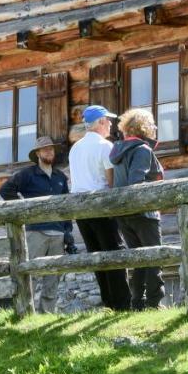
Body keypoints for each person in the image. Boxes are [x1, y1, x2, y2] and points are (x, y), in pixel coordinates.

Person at [68, 104, 131, 310]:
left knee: (96, 255)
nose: (111, 124)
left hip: (80, 208)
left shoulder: (75, 147)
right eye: (109, 120)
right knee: (113, 252)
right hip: (102, 205)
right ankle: (122, 303)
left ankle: (108, 301)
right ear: (101, 122)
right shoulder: (105, 146)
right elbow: (110, 179)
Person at [0, 136, 70, 313]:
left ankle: (46, 313)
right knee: (31, 274)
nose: (49, 152)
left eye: (51, 149)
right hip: (35, 231)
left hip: (58, 234)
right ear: (37, 153)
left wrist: (68, 232)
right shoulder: (27, 174)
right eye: (45, 149)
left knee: (53, 276)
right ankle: (25, 312)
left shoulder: (60, 177)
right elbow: (5, 190)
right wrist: (23, 211)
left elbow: (66, 207)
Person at [110, 108, 166, 310]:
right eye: (151, 124)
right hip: (144, 212)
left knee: (138, 260)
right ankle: (154, 303)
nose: (154, 128)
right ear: (144, 127)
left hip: (124, 214)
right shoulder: (142, 150)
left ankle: (138, 303)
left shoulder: (120, 150)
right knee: (154, 257)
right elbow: (136, 182)